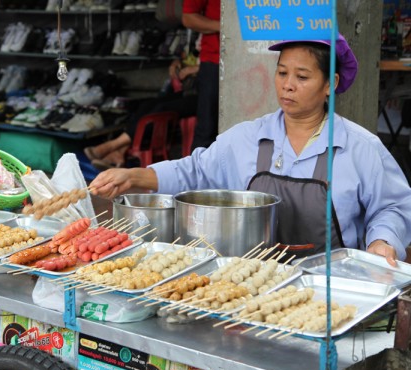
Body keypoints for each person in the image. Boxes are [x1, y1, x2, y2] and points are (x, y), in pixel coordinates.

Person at [90, 34, 411, 265]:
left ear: (330, 84)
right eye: (282, 72)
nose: (287, 84)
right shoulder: (248, 137)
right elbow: (197, 170)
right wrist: (134, 176)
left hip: (333, 290)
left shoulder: (360, 147)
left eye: (302, 76)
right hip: (254, 280)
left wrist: (382, 242)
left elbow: (392, 208)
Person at [84, 56, 199, 170]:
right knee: (146, 105)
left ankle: (113, 146)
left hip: (205, 98)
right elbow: (186, 54)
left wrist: (195, 68)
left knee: (162, 108)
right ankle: (119, 151)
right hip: (190, 91)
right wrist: (177, 62)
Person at [182, 0, 220, 152]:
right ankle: (198, 175)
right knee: (207, 130)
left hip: (259, 60)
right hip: (215, 62)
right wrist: (225, 26)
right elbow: (188, 17)